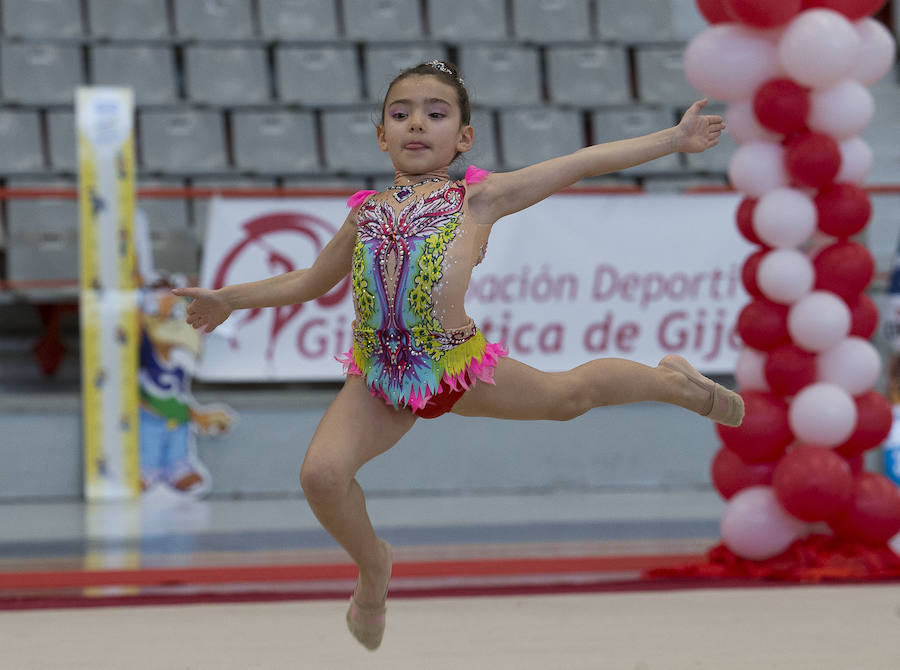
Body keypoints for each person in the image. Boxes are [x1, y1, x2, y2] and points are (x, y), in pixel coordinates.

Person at [173, 60, 743, 651]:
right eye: (401, 113)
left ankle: (672, 382)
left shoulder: (478, 199)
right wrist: (228, 298)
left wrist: (673, 140)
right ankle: (374, 570)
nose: (417, 123)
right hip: (381, 381)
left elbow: (579, 163)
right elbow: (312, 281)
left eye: (436, 113)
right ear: (381, 135)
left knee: (569, 397)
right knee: (321, 475)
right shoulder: (364, 212)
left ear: (462, 137)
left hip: (456, 367)